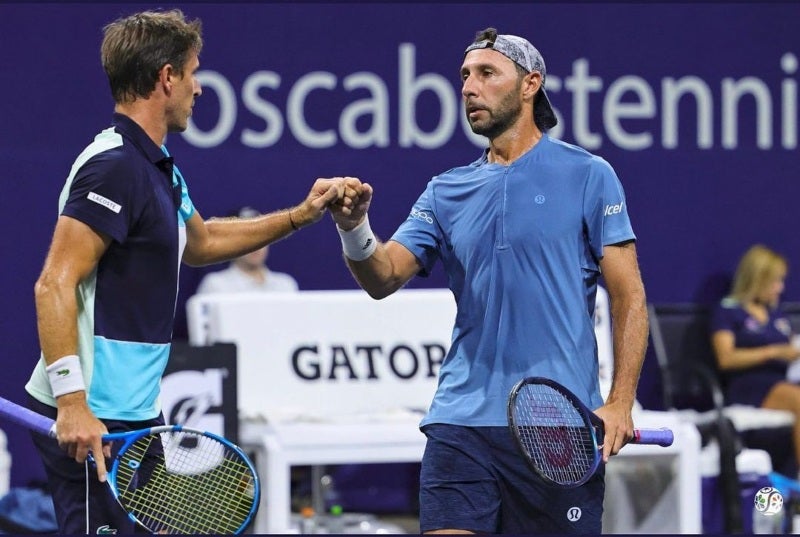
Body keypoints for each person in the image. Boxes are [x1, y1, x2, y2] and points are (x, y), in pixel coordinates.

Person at [24, 9, 357, 534]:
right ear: (167, 77)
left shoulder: (159, 168)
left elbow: (201, 242)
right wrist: (71, 402)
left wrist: (300, 215)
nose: (199, 89)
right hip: (96, 414)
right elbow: (54, 282)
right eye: (194, 72)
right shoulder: (112, 166)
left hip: (135, 413)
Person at [328, 28, 649, 534]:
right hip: (461, 420)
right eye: (463, 76)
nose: (468, 87)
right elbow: (383, 276)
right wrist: (354, 228)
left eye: (486, 73)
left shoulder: (589, 174)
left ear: (529, 85)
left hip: (556, 425)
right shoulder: (445, 190)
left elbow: (629, 296)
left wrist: (620, 400)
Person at [710, 244, 800, 474]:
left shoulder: (776, 314)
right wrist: (774, 352)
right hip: (749, 386)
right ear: (758, 278)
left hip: (782, 381)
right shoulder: (728, 310)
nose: (780, 288)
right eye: (775, 281)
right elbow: (726, 358)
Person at [195, 206, 300, 294]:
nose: (255, 246)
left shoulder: (286, 285)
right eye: (246, 238)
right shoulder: (215, 285)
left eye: (260, 236)